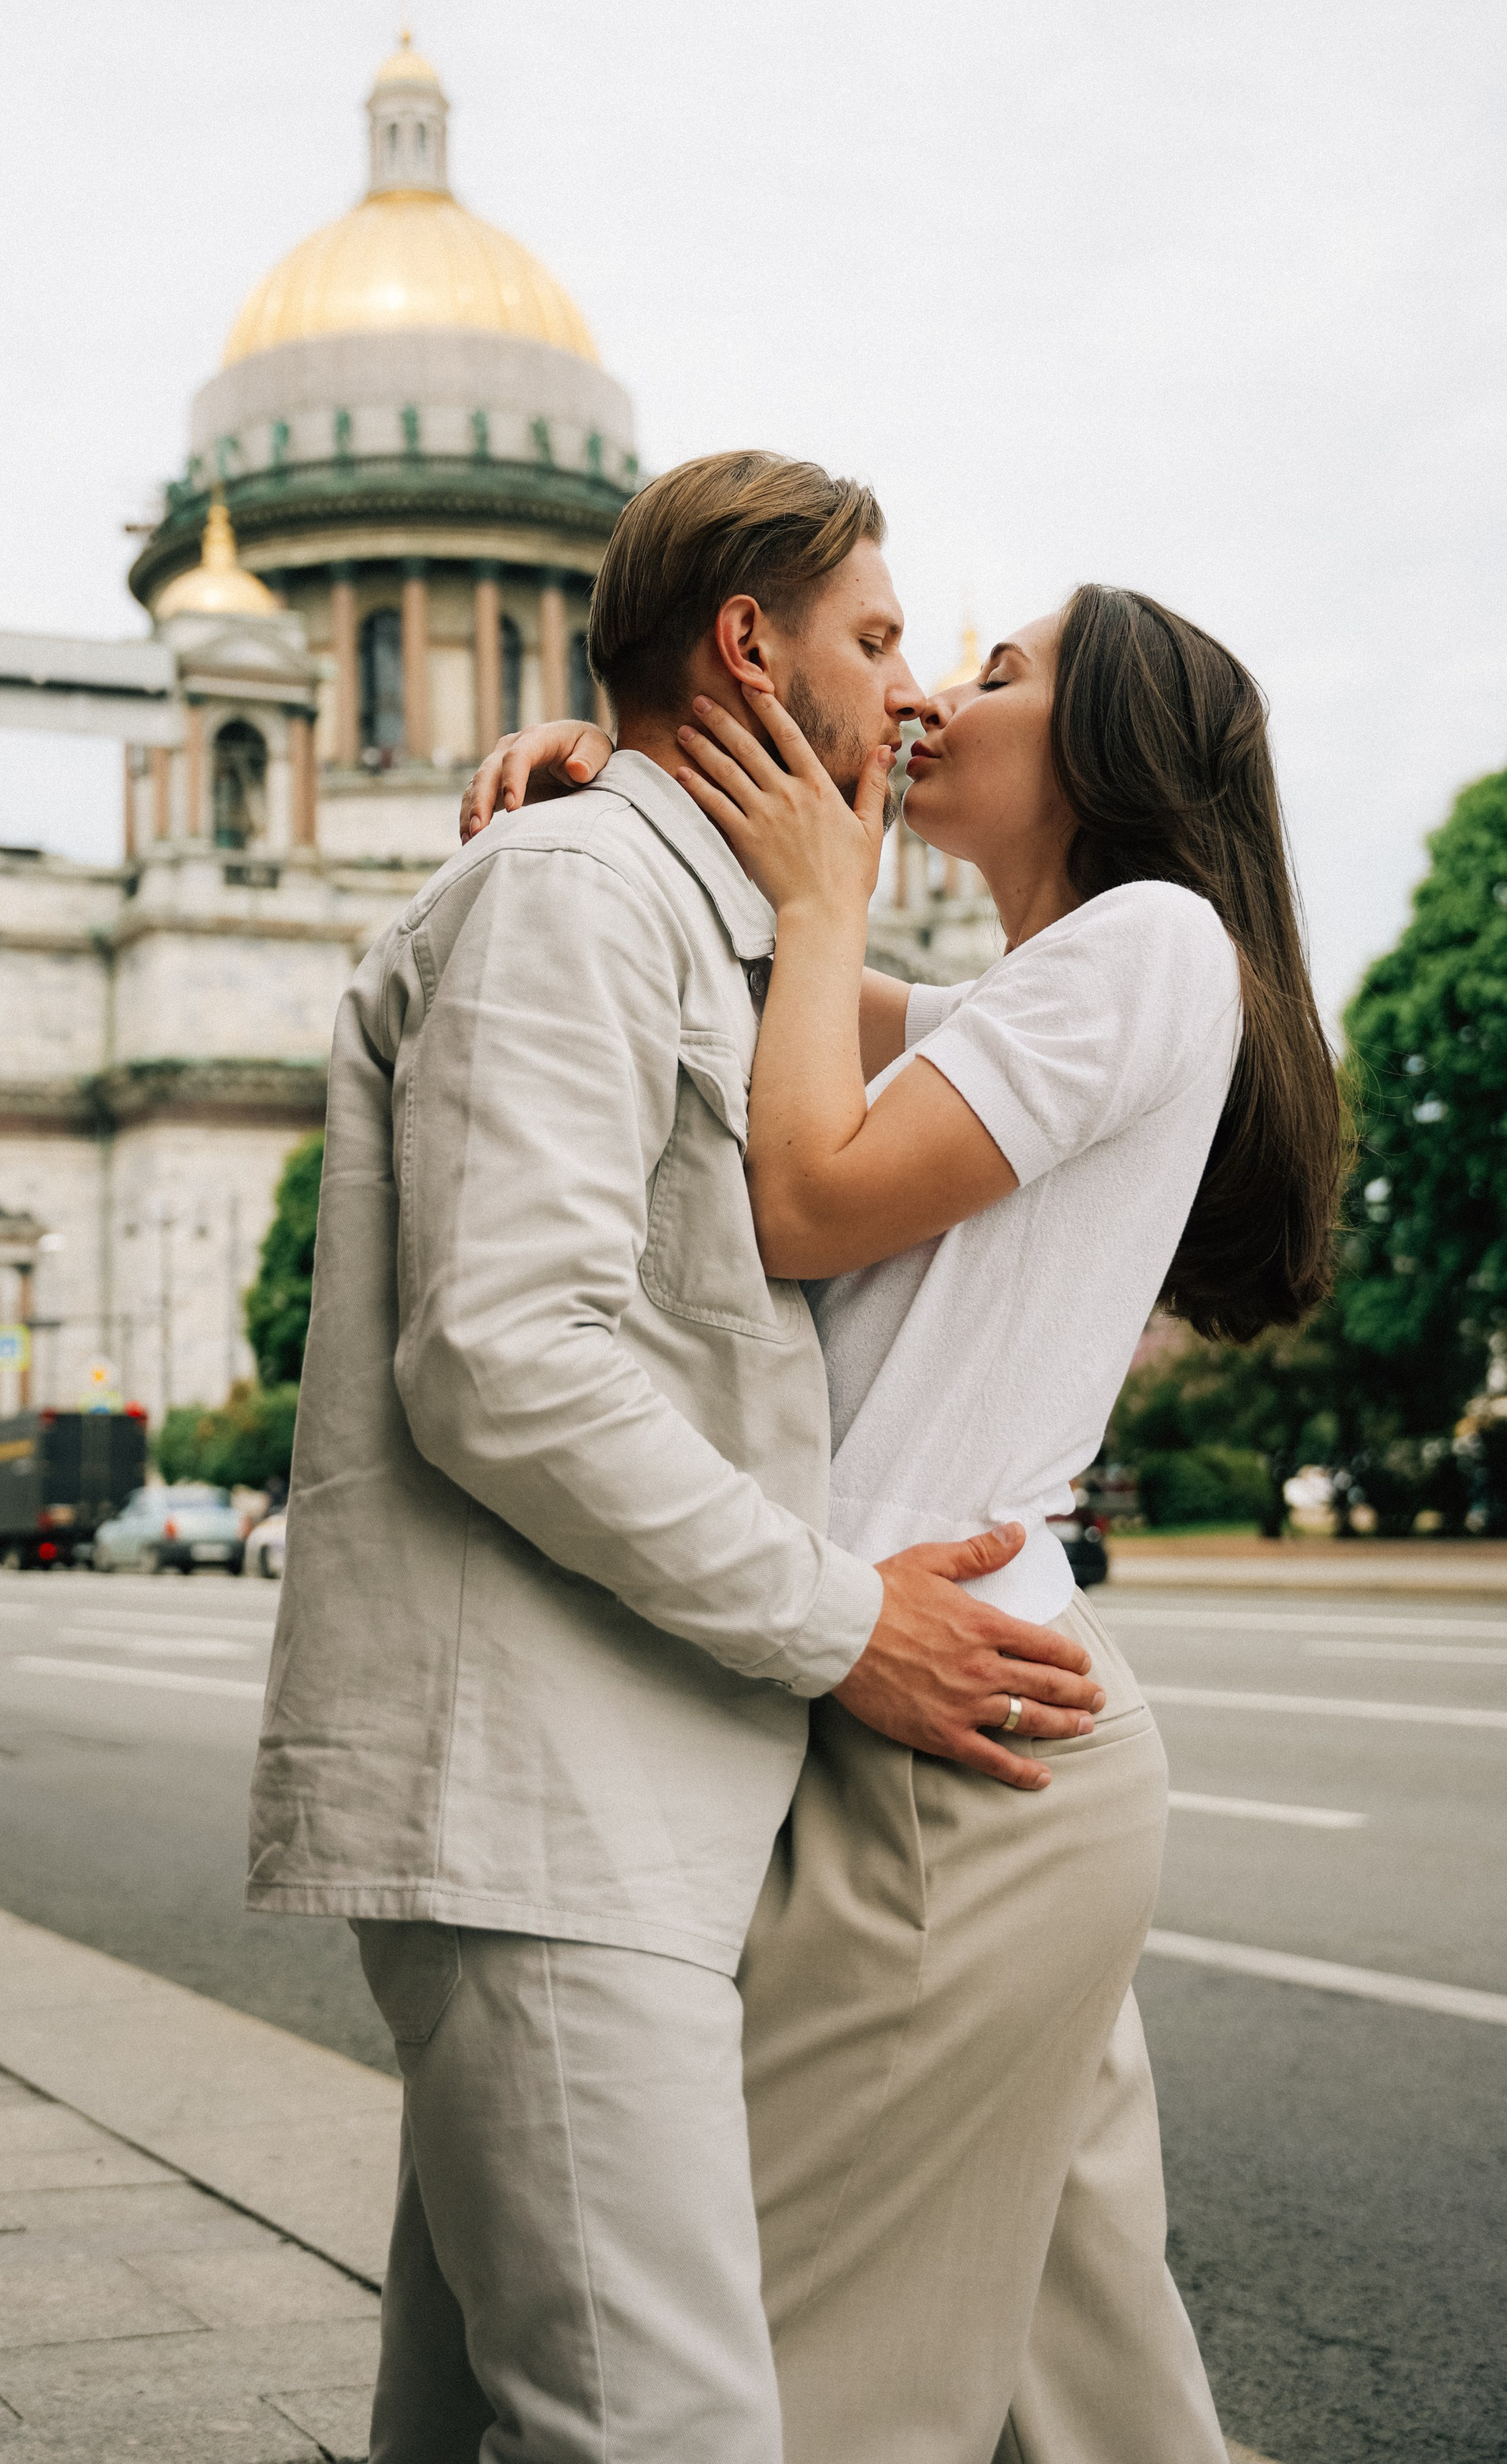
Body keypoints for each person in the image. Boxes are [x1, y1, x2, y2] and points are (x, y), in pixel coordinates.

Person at [247, 452, 1108, 2464]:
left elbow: (1029, 1060)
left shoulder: (703, 927)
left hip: (625, 1781)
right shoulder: (573, 894)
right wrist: (843, 1628)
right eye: (876, 641)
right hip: (549, 1792)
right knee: (669, 2427)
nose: (908, 695)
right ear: (747, 647)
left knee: (483, 2420)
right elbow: (504, 1359)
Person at [465, 582, 1344, 2462]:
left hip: (950, 1758)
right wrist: (627, 793)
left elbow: (806, 1196)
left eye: (1001, 672)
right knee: (1095, 2387)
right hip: (982, 1723)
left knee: (798, 2375)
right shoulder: (1025, 998)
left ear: (1109, 751)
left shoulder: (1155, 941)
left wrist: (810, 893)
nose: (937, 694)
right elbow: (751, 981)